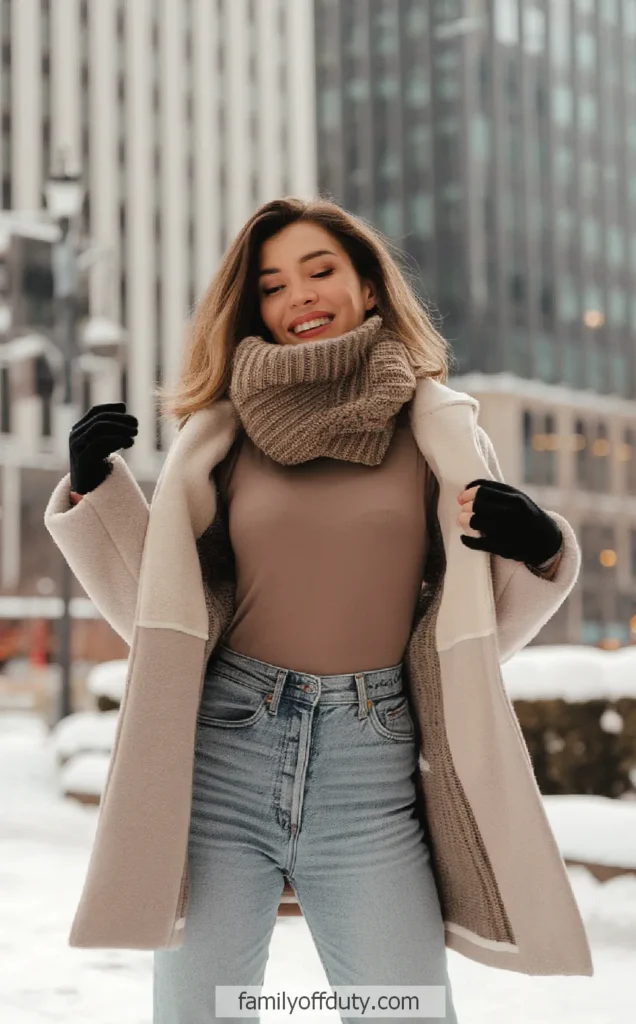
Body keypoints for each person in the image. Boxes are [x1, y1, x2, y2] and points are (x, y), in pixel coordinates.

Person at [45, 197, 592, 1023]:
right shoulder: (219, 438)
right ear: (254, 308)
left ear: (368, 287)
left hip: (369, 772)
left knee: (403, 1011)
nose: (296, 294)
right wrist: (94, 488)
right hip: (225, 755)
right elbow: (162, 613)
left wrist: (539, 543)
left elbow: (468, 629)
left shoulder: (437, 432)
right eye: (271, 285)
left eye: (318, 270)